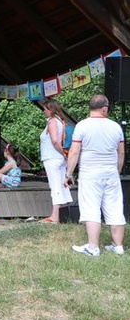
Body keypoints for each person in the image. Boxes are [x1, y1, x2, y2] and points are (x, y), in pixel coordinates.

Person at [65, 95, 125, 257]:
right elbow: (121, 153)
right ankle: (118, 246)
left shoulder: (82, 126)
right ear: (104, 108)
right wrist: (117, 172)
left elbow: (75, 152)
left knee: (91, 207)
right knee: (115, 207)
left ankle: (93, 247)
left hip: (90, 173)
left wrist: (68, 174)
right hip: (111, 173)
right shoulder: (116, 127)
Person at [40, 99, 73, 223]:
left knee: (54, 185)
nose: (44, 111)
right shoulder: (61, 121)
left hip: (53, 157)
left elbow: (54, 141)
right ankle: (59, 214)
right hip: (58, 158)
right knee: (60, 184)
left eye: (45, 109)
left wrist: (62, 154)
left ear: (51, 109)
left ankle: (54, 216)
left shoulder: (52, 121)